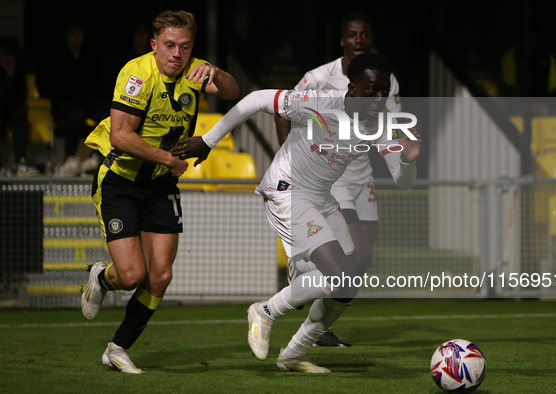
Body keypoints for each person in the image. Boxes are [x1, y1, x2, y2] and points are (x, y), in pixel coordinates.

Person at [174, 52, 421, 373]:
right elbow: (257, 99)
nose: (378, 98)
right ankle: (265, 311)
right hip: (287, 189)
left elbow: (403, 182)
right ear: (352, 87)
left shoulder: (383, 124)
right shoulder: (319, 103)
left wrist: (408, 161)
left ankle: (293, 354)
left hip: (321, 197)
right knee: (338, 275)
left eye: (384, 90)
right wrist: (209, 141)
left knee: (348, 284)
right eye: (371, 89)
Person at [80, 9, 239, 374]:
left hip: (160, 185)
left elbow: (233, 92)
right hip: (120, 181)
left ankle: (117, 348)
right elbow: (121, 135)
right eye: (169, 45)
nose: (176, 54)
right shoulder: (137, 73)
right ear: (154, 45)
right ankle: (102, 278)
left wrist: (215, 72)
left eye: (184, 47)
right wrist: (168, 159)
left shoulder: (196, 70)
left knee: (161, 276)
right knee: (132, 276)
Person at [274, 13, 402, 347]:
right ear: (342, 40)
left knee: (364, 259)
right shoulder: (319, 77)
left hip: (364, 175)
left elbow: (388, 121)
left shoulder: (387, 80)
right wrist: (288, 153)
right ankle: (303, 279)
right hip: (335, 176)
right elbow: (282, 108)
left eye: (364, 35)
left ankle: (317, 319)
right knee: (352, 256)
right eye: (352, 35)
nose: (358, 40)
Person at [36, 22, 110, 176]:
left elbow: (98, 83)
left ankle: (96, 156)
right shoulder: (56, 56)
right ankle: (69, 157)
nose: (76, 38)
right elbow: (44, 84)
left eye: (79, 33)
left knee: (109, 115)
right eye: (72, 34)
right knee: (75, 114)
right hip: (64, 104)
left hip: (88, 103)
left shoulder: (90, 55)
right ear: (66, 36)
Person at [0, 37, 39, 176]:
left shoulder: (18, 71)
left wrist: (11, 76)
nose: (6, 59)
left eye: (9, 55)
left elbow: (20, 97)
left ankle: (20, 161)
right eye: (3, 54)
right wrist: (8, 78)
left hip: (13, 111)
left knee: (21, 113)